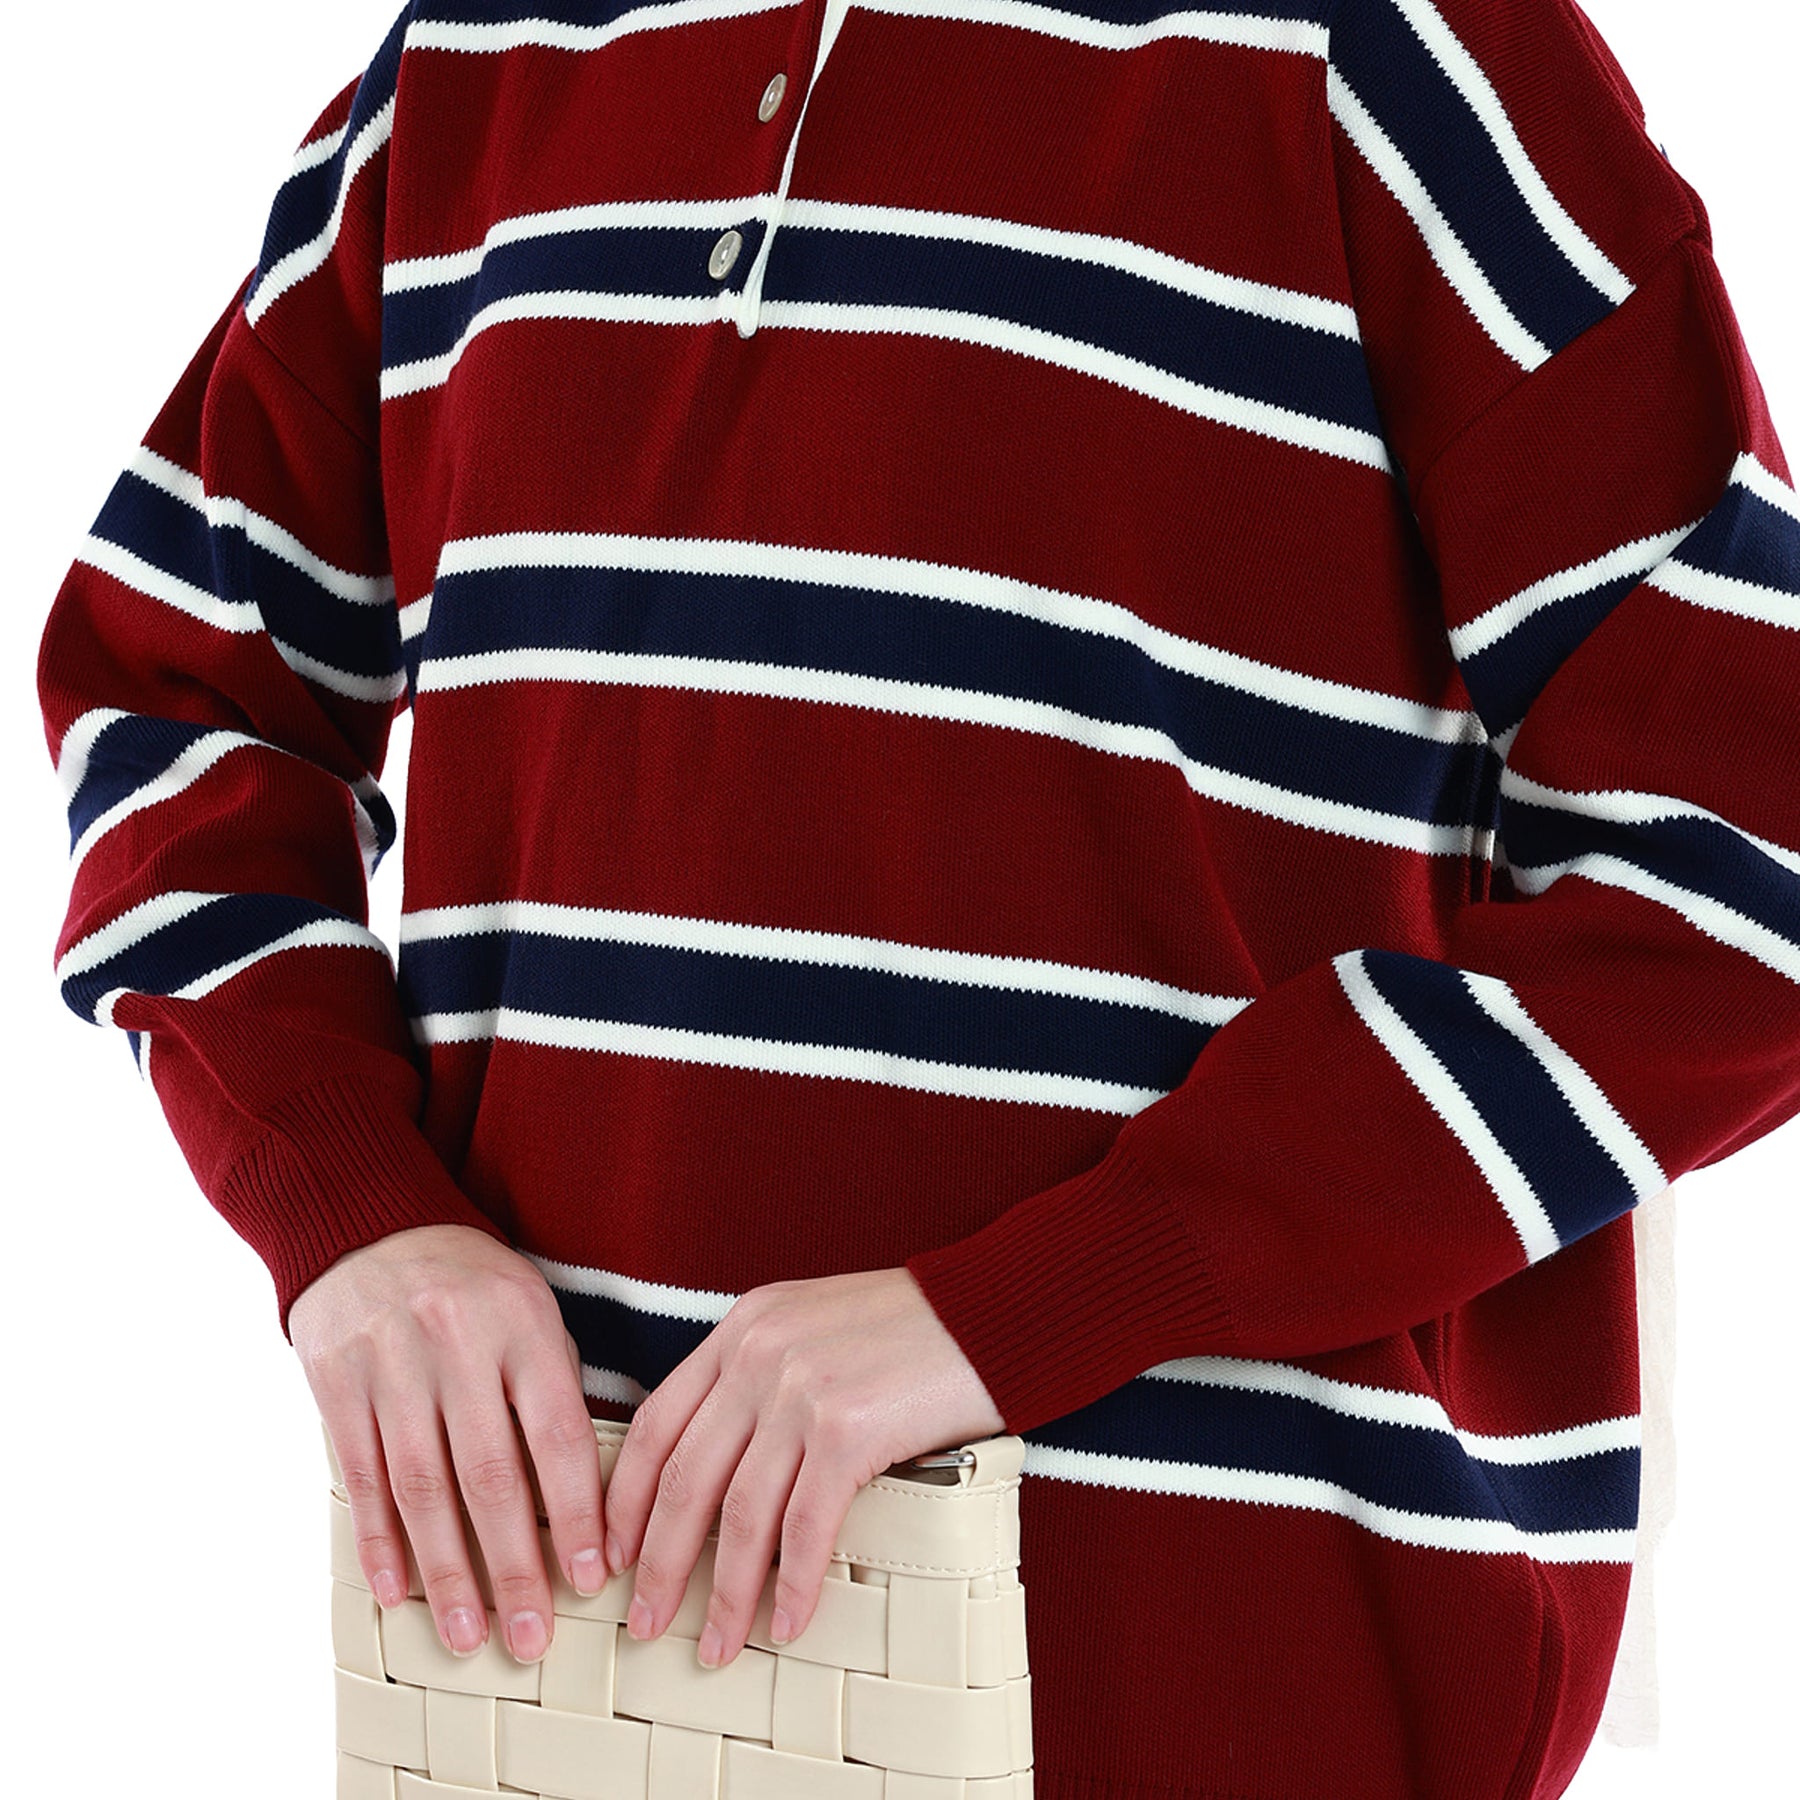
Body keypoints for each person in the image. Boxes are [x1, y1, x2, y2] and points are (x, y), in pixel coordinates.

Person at [36, 1, 1800, 1795]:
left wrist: (1044, 1297)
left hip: (1223, 1678)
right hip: (559, 1693)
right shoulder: (475, 59)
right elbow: (176, 689)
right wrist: (348, 1210)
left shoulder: (1388, 49)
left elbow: (1751, 869)